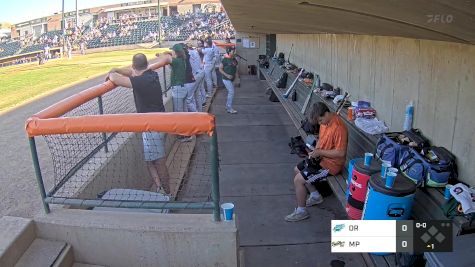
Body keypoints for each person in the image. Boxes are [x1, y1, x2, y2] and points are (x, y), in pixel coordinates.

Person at [106, 53, 171, 194]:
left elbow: (115, 79)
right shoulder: (151, 74)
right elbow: (130, 73)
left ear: (134, 66)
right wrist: (116, 68)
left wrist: (112, 72)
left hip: (152, 128)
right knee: (151, 160)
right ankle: (160, 188)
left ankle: (167, 193)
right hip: (160, 123)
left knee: (158, 162)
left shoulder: (140, 81)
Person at [285, 102, 348, 222]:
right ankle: (315, 196)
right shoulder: (325, 121)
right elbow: (320, 139)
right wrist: (315, 150)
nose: (320, 124)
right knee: (297, 169)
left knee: (298, 180)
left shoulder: (339, 128)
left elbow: (341, 153)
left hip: (331, 166)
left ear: (326, 113)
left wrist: (320, 153)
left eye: (320, 120)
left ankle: (301, 211)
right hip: (321, 158)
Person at [153, 43, 193, 142]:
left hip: (179, 89)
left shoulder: (177, 61)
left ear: (176, 52)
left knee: (179, 113)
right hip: (182, 88)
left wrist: (160, 54)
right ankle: (187, 133)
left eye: (173, 51)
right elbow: (170, 58)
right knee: (183, 112)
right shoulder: (182, 59)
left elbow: (167, 59)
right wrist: (167, 53)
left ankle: (184, 135)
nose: (172, 52)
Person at [219, 47, 238, 114]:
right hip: (226, 79)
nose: (234, 52)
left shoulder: (234, 59)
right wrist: (227, 75)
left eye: (234, 51)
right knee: (231, 92)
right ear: (229, 52)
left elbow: (235, 69)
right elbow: (220, 69)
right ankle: (229, 108)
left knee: (231, 92)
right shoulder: (224, 59)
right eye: (233, 51)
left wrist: (237, 79)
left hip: (232, 79)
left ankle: (227, 106)